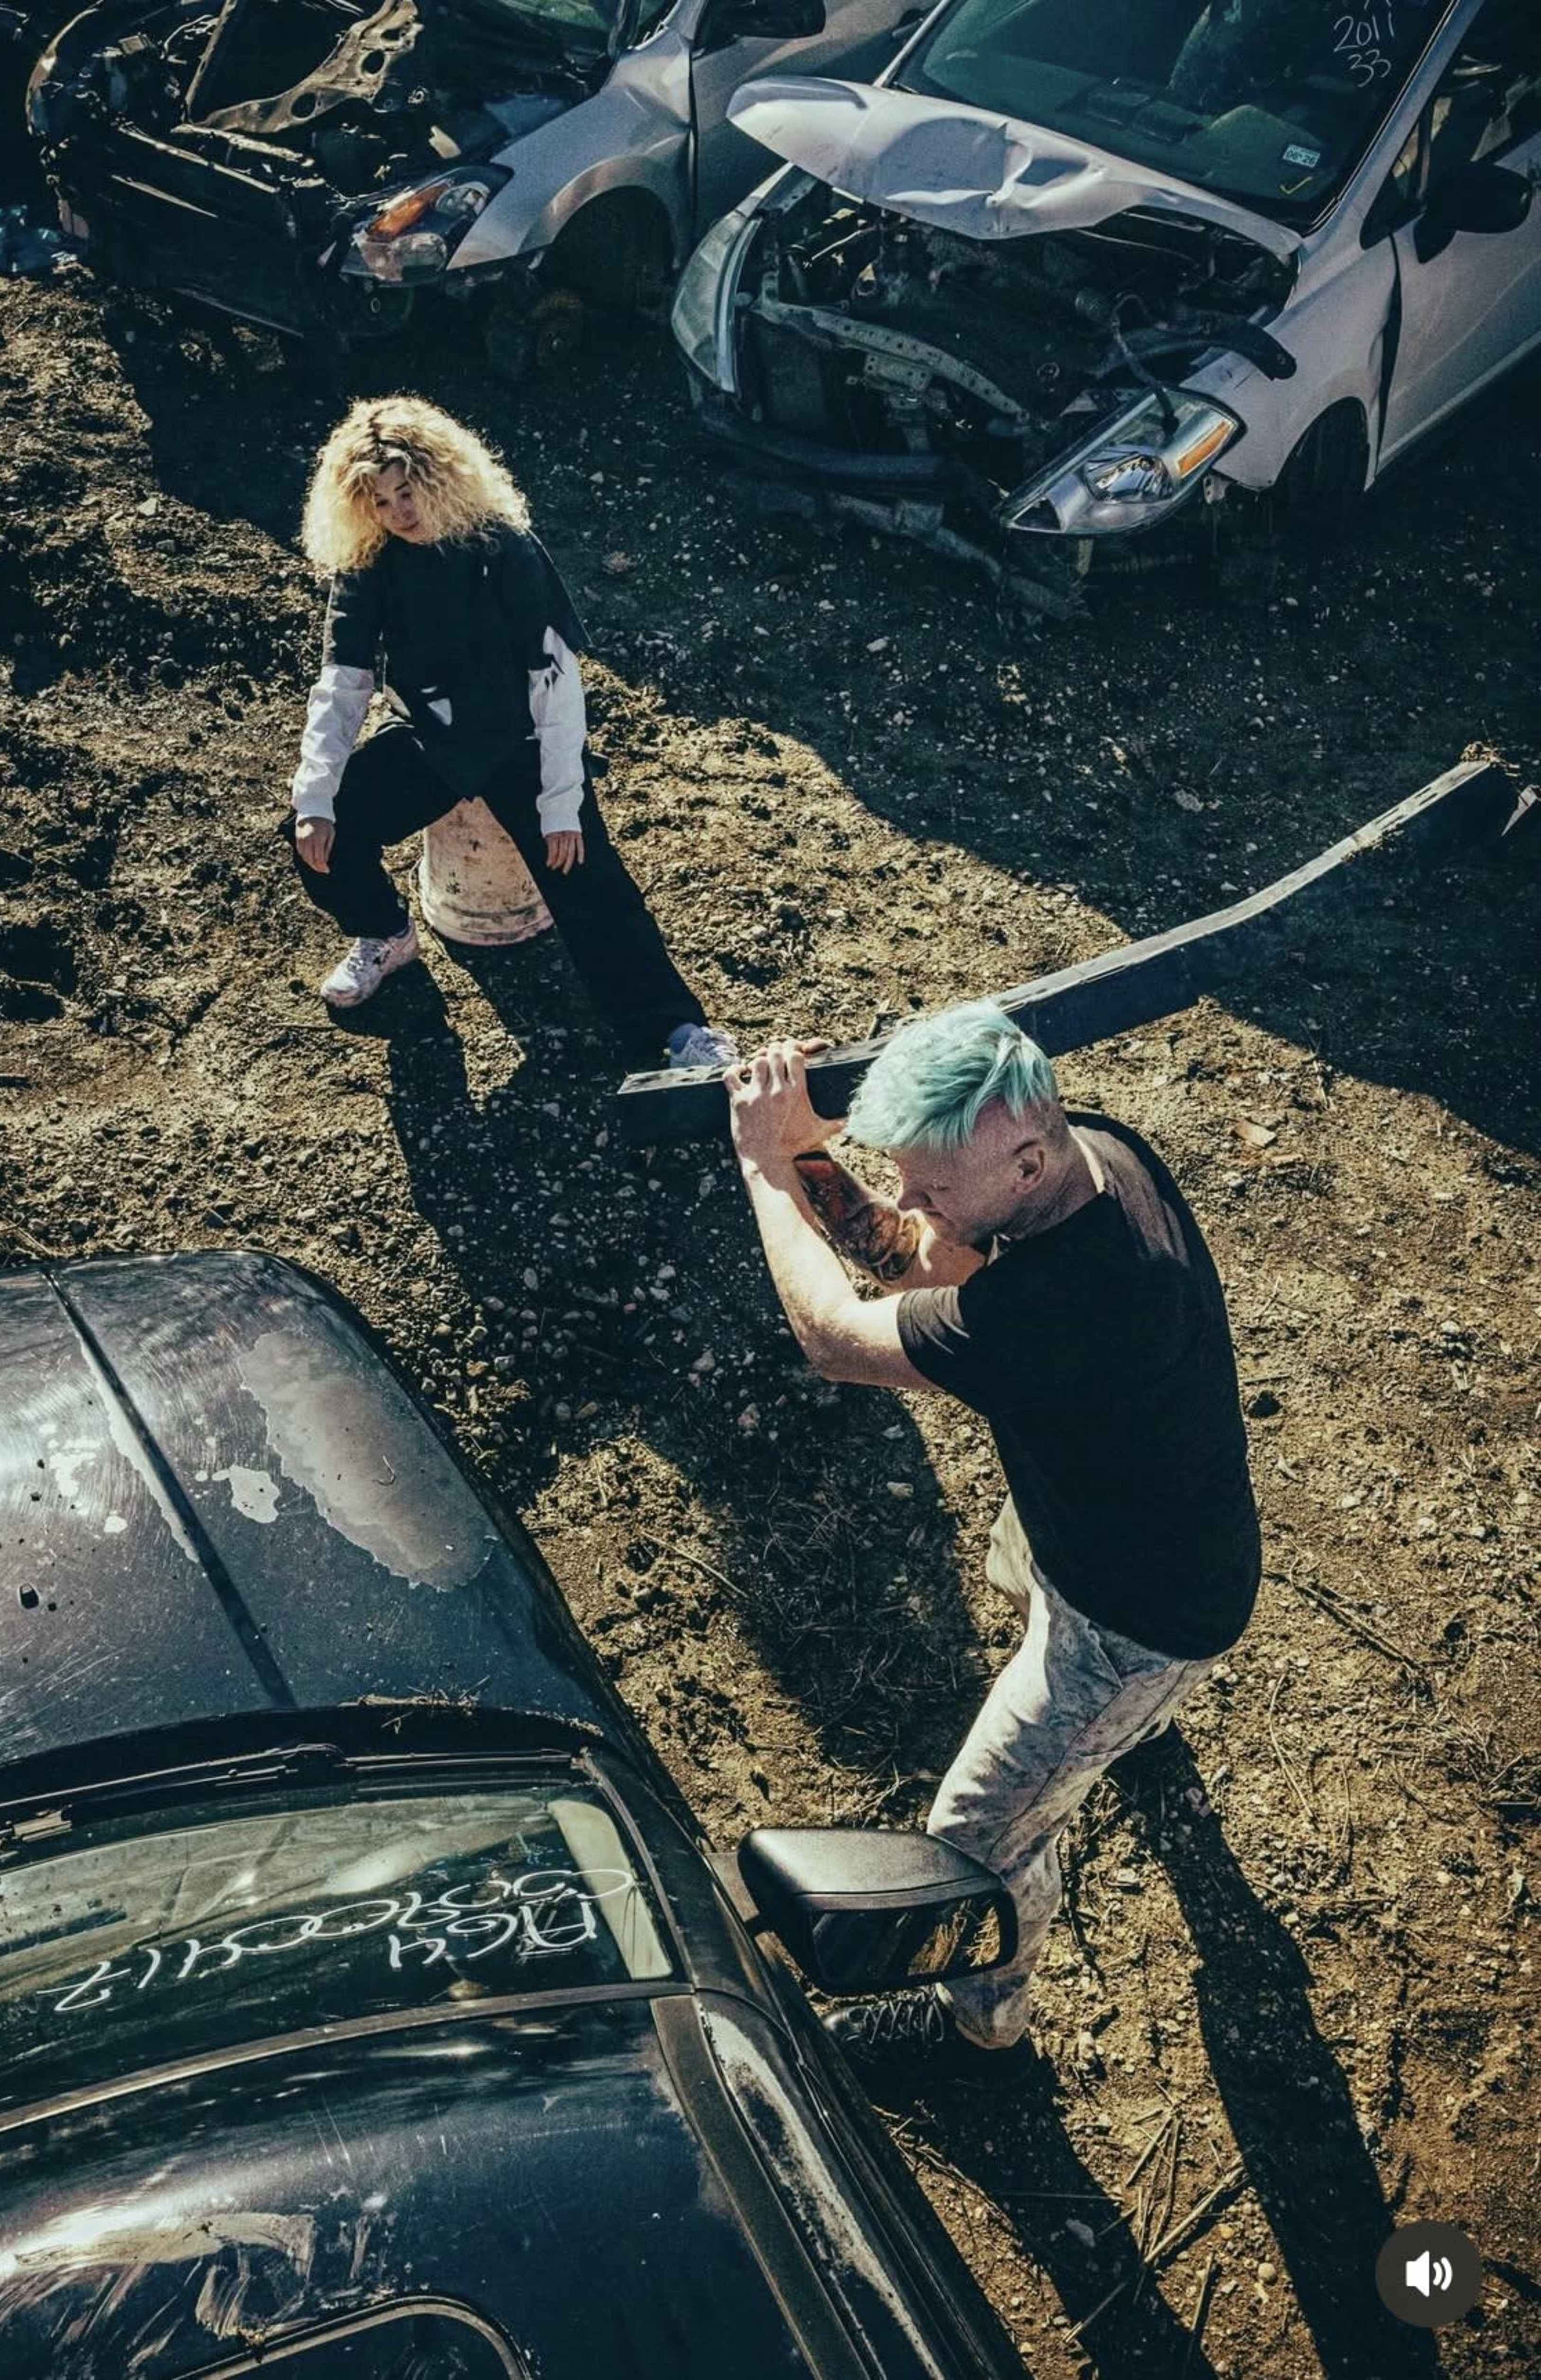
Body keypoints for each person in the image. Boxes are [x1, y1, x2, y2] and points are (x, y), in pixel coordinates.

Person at [724, 1002, 1260, 2078]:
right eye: (904, 1176)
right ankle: (1134, 1736)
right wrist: (816, 1153)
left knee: (974, 1842)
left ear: (1023, 1162)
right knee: (1023, 1586)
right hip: (1091, 1514)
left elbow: (834, 1339)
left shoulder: (1061, 1307)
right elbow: (921, 1262)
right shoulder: (1094, 1153)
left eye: (928, 1185)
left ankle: (976, 2024)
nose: (908, 1203)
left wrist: (766, 1166)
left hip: (1135, 1619)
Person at [285, 395, 735, 1072]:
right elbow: (342, 683)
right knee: (320, 833)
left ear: (439, 477)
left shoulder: (503, 547)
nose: (400, 512)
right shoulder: (369, 563)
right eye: (380, 502)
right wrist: (316, 797)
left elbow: (555, 679)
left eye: (408, 491)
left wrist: (561, 802)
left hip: (521, 740)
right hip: (434, 739)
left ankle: (675, 1031)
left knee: (591, 884)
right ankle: (386, 932)